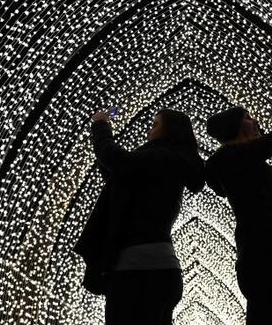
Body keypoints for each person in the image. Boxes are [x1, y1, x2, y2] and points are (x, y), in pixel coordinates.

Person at [73, 108, 205, 325]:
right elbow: (117, 172)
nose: (149, 132)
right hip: (159, 269)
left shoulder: (162, 157)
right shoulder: (169, 162)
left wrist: (100, 126)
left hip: (136, 271)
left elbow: (115, 159)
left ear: (169, 130)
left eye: (155, 125)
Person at [204, 81, 272, 324]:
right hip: (262, 258)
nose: (256, 122)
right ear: (235, 127)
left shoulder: (249, 166)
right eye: (249, 118)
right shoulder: (230, 159)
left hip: (264, 259)